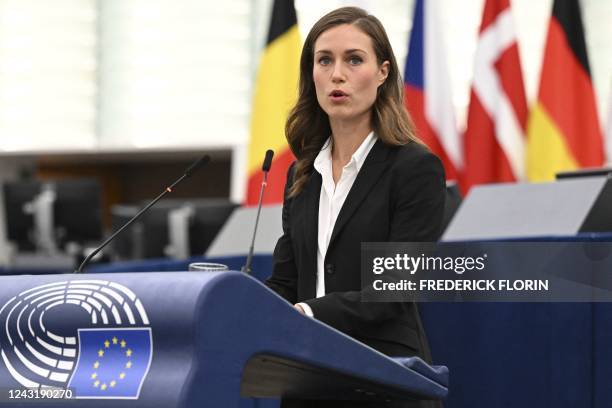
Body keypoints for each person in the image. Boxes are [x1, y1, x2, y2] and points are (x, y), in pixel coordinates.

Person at [266, 6, 445, 408]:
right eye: (324, 60)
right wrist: (238, 302)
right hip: (308, 381)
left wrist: (307, 312)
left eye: (354, 60)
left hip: (386, 381)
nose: (337, 74)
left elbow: (394, 290)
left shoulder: (414, 168)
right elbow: (286, 281)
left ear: (382, 73)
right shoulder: (303, 176)